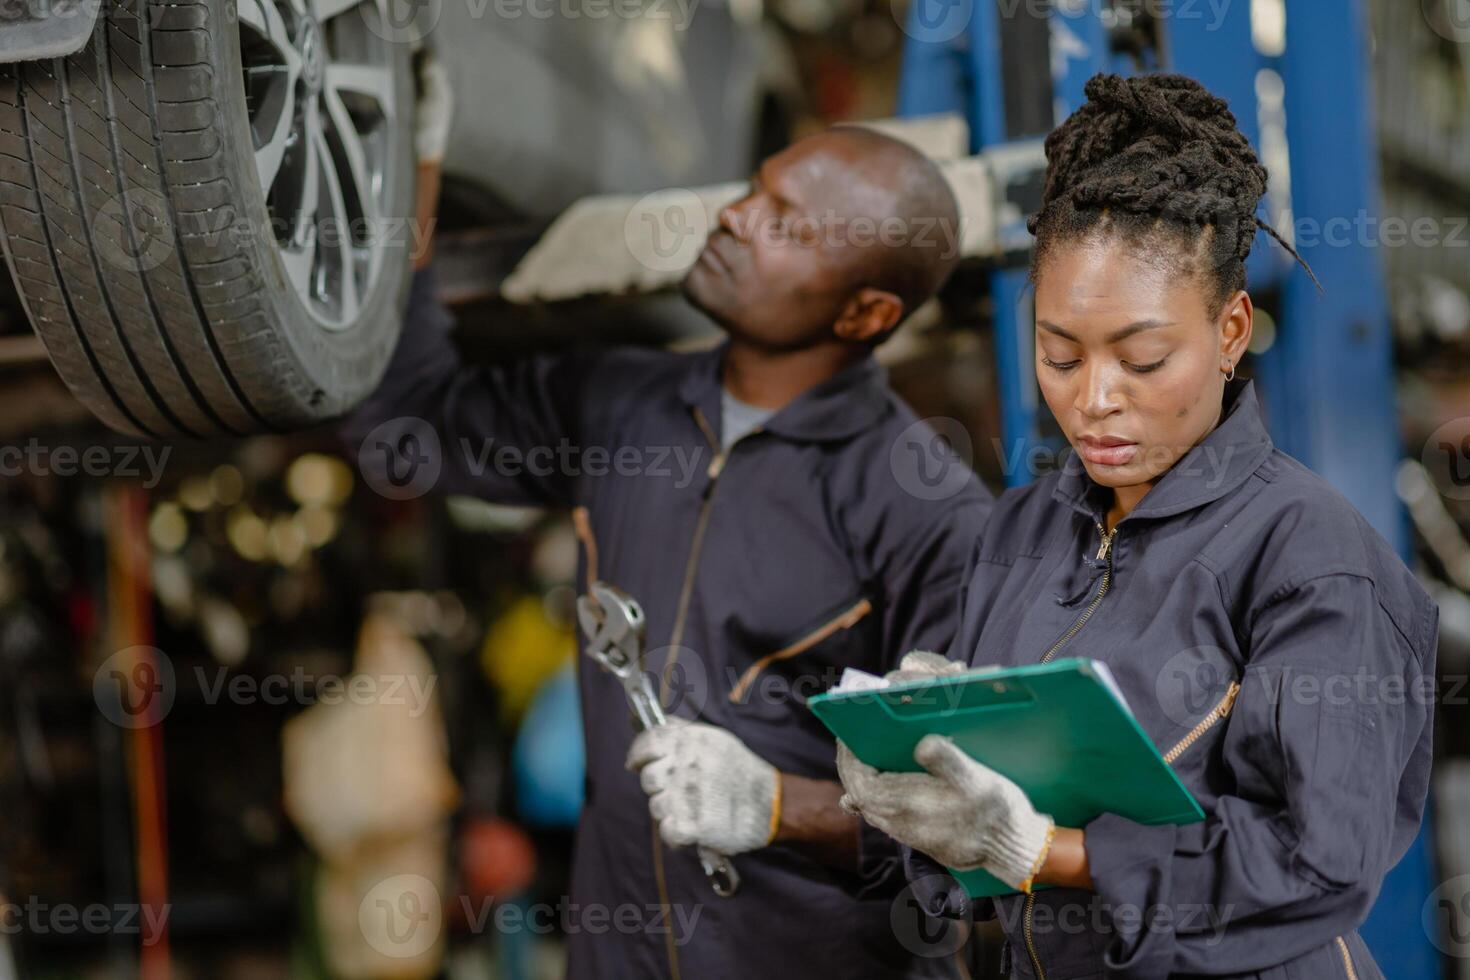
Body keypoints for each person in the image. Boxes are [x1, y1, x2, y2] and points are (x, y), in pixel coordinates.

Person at [344, 119, 991, 977]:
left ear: (865, 311)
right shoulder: (620, 407)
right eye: (756, 189)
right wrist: (410, 159)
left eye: (788, 225)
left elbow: (974, 823)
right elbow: (403, 429)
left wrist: (772, 807)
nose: (737, 217)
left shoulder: (927, 511)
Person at [836, 73, 1438, 980]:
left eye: (1143, 358)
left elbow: (1318, 862)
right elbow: (971, 864)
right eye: (1059, 355)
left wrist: (1045, 851)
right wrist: (926, 775)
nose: (1095, 400)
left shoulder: (1310, 559)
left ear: (1232, 329)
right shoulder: (1022, 531)